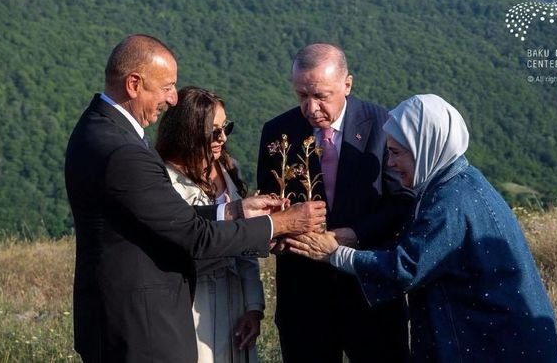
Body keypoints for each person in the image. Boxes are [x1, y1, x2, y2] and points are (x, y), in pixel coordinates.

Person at [65, 34, 326, 363]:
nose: (172, 98)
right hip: (141, 327)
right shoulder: (123, 151)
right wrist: (280, 223)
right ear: (133, 84)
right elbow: (194, 236)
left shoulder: (97, 130)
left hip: (124, 319)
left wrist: (233, 210)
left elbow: (163, 219)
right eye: (166, 87)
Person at [286, 94, 557, 362]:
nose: (390, 163)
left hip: (493, 343)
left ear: (426, 147)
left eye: (396, 153)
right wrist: (354, 237)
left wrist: (334, 253)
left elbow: (406, 268)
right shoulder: (456, 182)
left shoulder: (451, 201)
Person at [256, 43, 411, 363]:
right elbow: (269, 203)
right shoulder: (277, 132)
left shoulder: (382, 126)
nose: (311, 107)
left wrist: (352, 235)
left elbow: (402, 201)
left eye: (321, 96)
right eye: (302, 95)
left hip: (369, 294)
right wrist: (278, 232)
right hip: (304, 296)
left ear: (347, 84)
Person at [155, 86, 264, 363]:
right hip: (192, 303)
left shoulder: (228, 169)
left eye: (226, 128)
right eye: (214, 132)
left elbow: (245, 246)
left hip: (234, 300)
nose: (223, 138)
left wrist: (254, 307)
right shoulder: (164, 180)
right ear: (188, 131)